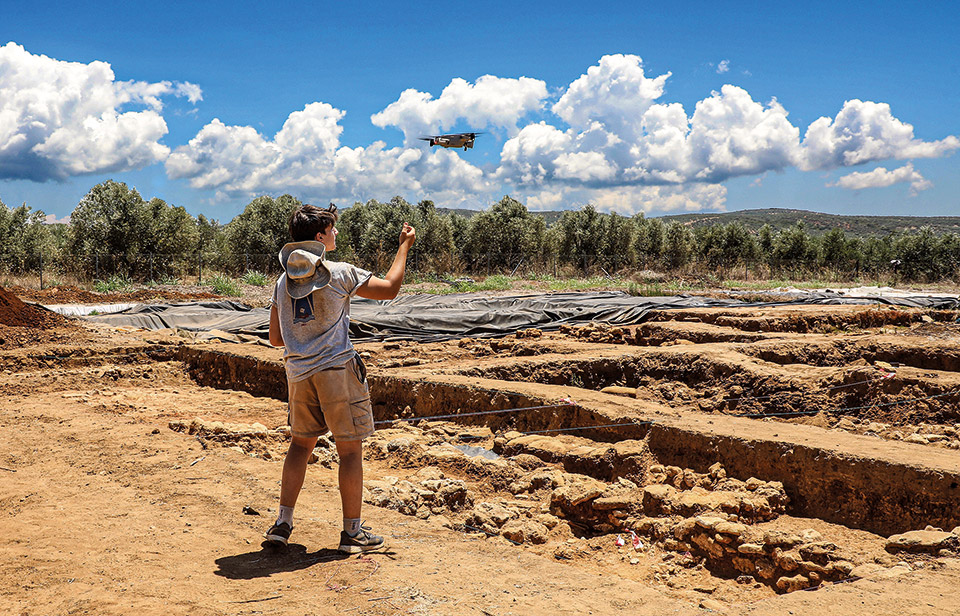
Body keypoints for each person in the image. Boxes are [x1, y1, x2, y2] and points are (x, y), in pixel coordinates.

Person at [264, 203, 415, 553]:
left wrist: (303, 333)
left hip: (298, 373)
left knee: (300, 446)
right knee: (349, 451)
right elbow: (390, 288)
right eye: (332, 230)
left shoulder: (282, 281)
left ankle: (283, 523)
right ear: (320, 237)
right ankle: (352, 532)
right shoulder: (340, 272)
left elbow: (275, 338)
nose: (335, 234)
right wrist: (404, 245)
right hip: (337, 371)